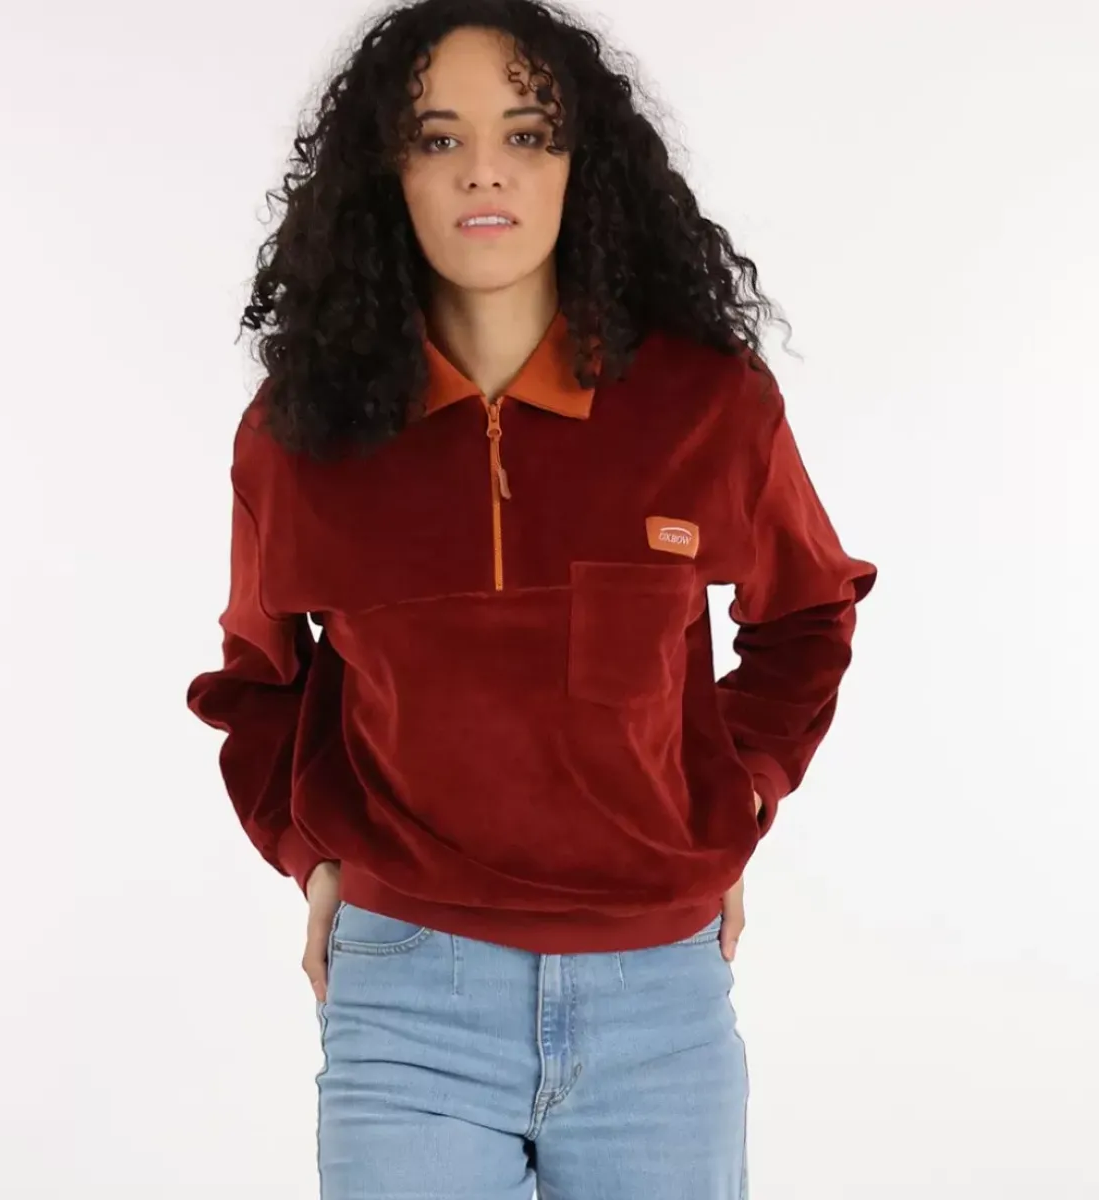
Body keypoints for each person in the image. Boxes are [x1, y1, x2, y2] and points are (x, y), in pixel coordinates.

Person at [186, 1, 877, 1195]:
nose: (484, 170)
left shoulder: (708, 408)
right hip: (409, 997)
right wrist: (311, 857)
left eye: (526, 133)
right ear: (388, 174)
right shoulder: (299, 436)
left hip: (659, 1003)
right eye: (438, 138)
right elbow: (260, 679)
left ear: (581, 165)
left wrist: (738, 791)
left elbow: (806, 615)